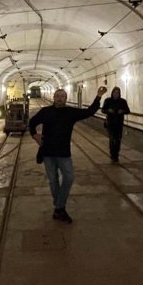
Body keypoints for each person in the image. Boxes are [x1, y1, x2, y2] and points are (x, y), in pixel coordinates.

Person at [29, 86, 108, 223]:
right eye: (57, 96)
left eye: (62, 96)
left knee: (69, 178)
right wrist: (35, 135)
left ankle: (58, 207)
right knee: (53, 181)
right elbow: (32, 122)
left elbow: (89, 112)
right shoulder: (45, 111)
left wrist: (99, 96)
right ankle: (60, 209)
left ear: (66, 99)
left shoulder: (70, 112)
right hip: (48, 151)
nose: (59, 98)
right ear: (53, 98)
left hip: (63, 152)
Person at [101, 86, 130, 163]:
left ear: (119, 94)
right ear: (112, 93)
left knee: (118, 140)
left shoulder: (123, 101)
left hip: (119, 124)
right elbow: (103, 110)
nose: (116, 94)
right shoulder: (108, 100)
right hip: (110, 123)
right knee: (112, 139)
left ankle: (116, 155)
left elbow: (128, 111)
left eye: (117, 93)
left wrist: (122, 111)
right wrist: (108, 110)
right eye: (115, 92)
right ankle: (112, 154)